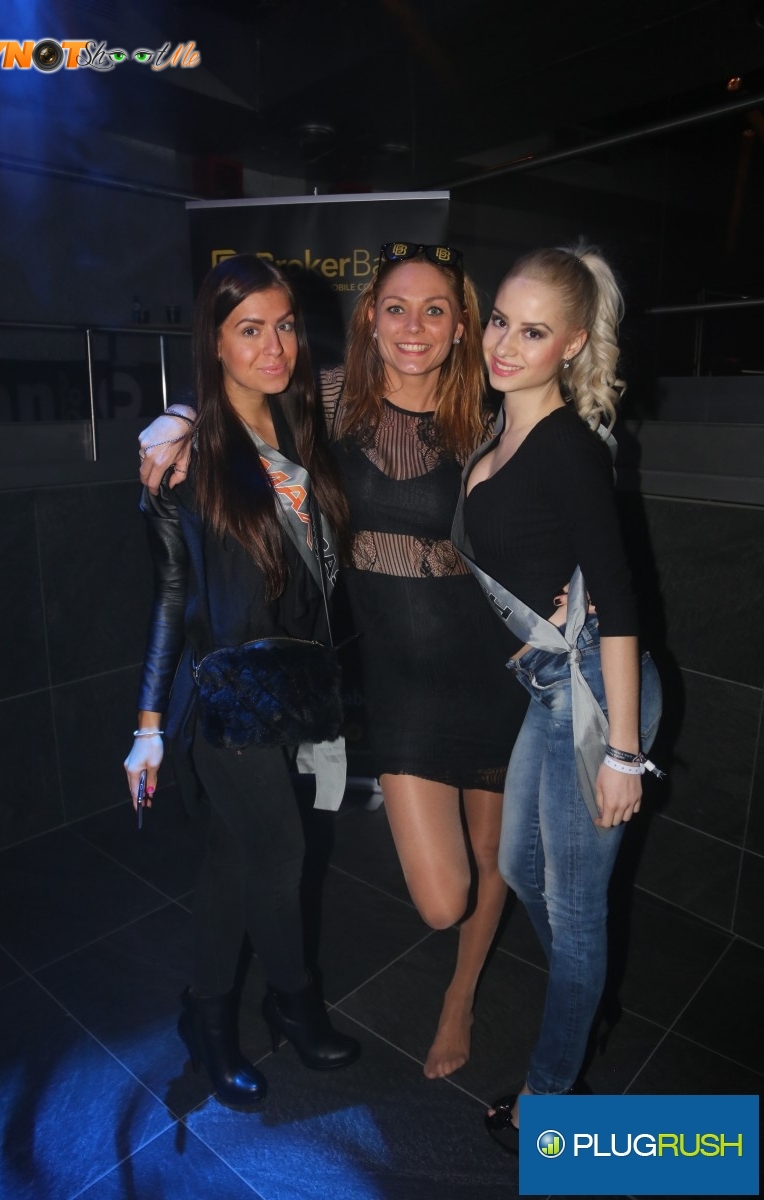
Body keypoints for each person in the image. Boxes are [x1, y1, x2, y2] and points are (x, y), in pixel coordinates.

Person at [138, 241, 531, 1080]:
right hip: (314, 690)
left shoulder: (476, 416)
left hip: (437, 673)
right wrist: (176, 415)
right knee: (345, 872)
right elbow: (236, 385)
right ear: (370, 321)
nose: (414, 327)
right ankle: (284, 1003)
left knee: (245, 858)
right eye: (396, 308)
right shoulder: (309, 411)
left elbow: (552, 487)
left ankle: (441, 1000)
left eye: (435, 310)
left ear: (462, 325)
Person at [124, 255, 359, 1110]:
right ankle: (292, 1002)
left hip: (288, 686)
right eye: (249, 329)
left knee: (232, 860)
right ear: (214, 342)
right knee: (281, 851)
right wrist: (149, 726)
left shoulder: (301, 425)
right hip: (221, 700)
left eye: (285, 325)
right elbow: (171, 597)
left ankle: (207, 1014)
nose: (274, 347)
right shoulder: (185, 457)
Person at [456, 244, 662, 1151]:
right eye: (501, 320)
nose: (505, 345)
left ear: (572, 345)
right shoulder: (496, 429)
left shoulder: (568, 447)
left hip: (596, 697)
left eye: (533, 333)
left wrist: (624, 753)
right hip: (549, 690)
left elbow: (620, 603)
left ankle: (548, 1098)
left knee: (574, 910)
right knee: (516, 866)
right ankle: (587, 991)